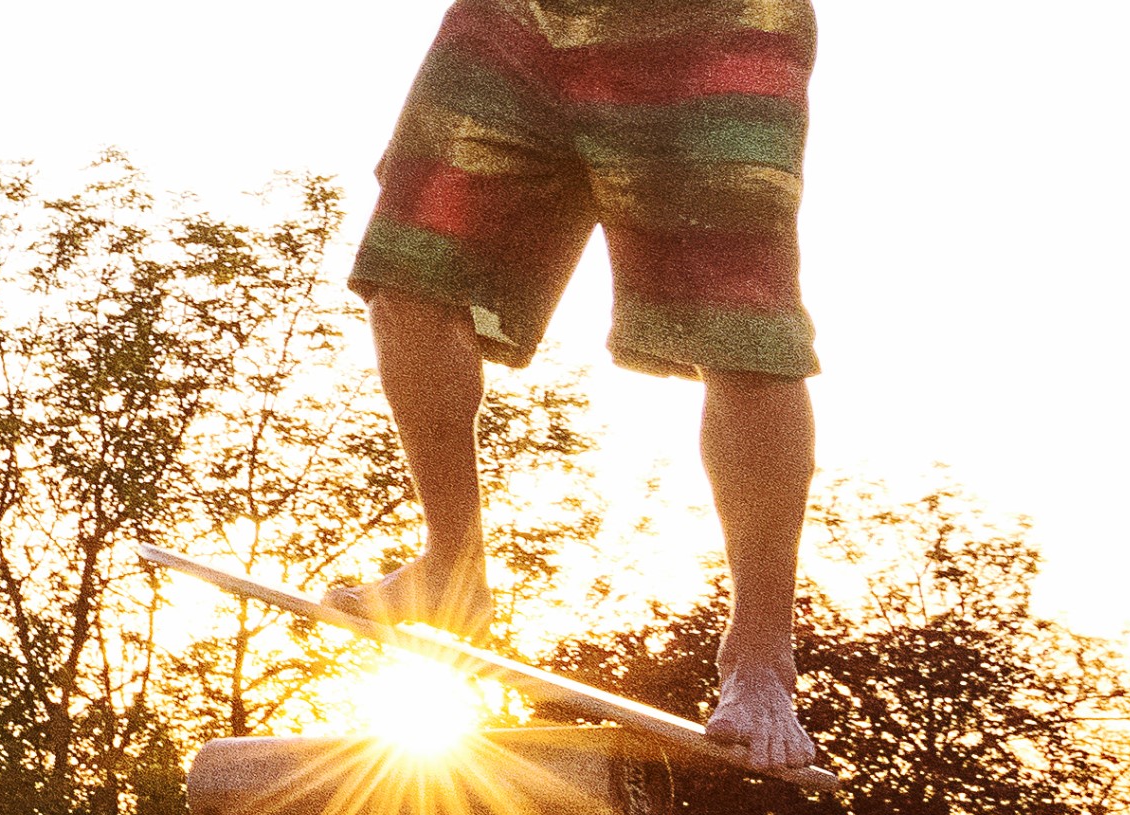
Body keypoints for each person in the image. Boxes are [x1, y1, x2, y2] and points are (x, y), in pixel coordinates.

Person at [322, 0, 824, 772]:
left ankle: (759, 658)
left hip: (716, 22)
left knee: (742, 325)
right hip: (517, 16)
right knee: (408, 265)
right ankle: (452, 566)